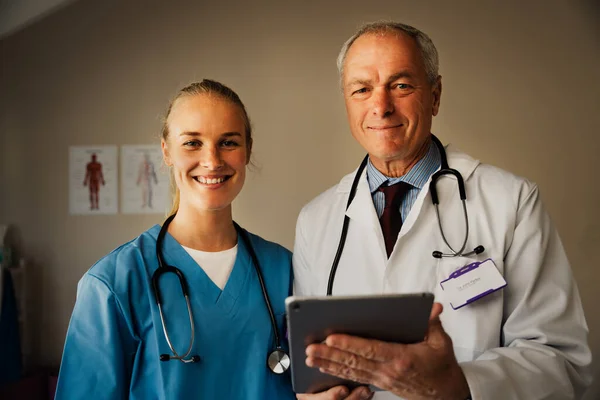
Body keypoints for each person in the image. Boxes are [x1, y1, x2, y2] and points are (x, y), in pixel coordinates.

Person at [292, 22, 592, 400]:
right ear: (347, 102)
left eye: (401, 86)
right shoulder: (316, 220)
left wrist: (462, 386)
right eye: (362, 89)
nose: (380, 107)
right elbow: (310, 362)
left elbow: (562, 360)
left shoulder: (511, 201)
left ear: (434, 96)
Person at [56, 80, 296, 399]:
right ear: (166, 151)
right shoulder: (114, 283)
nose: (212, 160)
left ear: (248, 150)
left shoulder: (284, 269)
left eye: (228, 142)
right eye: (192, 143)